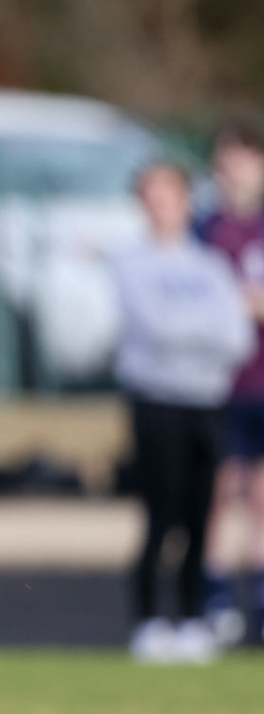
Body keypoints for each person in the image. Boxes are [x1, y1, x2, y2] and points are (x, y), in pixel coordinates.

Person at [113, 160, 255, 663]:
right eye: (152, 198)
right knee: (161, 514)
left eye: (170, 196)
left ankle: (193, 618)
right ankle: (150, 619)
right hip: (155, 400)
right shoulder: (131, 261)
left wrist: (190, 330)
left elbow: (235, 338)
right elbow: (156, 329)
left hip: (205, 400)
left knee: (200, 515)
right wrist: (201, 329)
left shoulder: (210, 265)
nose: (162, 207)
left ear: (186, 201)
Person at [196, 119, 264, 649]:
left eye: (240, 158)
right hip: (218, 384)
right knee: (219, 494)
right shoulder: (205, 231)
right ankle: (216, 601)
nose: (231, 172)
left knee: (262, 495)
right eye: (224, 161)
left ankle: (259, 601)